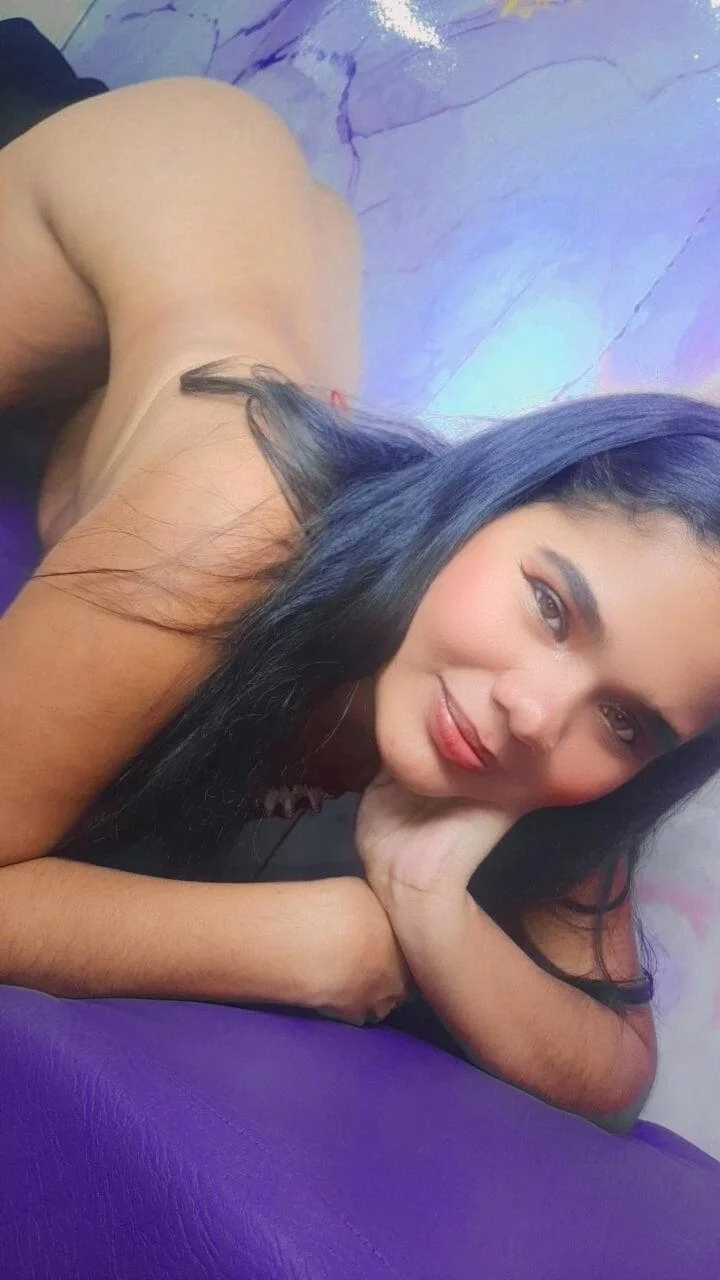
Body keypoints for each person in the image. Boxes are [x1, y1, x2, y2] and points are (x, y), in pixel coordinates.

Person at [2, 25, 720, 1132]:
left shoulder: (583, 719)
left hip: (277, 294)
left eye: (627, 723)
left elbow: (616, 1069)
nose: (537, 713)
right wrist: (314, 943)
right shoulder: (235, 515)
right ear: (491, 494)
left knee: (288, 288)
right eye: (549, 605)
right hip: (158, 176)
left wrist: (432, 913)